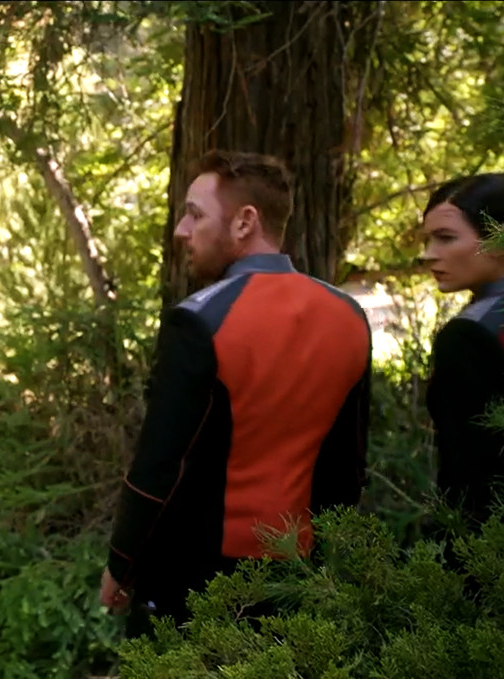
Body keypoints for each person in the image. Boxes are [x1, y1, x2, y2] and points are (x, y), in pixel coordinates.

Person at [100, 150, 371, 639]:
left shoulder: (199, 319)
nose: (181, 230)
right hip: (296, 576)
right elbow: (345, 469)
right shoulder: (349, 316)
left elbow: (160, 466)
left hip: (193, 580)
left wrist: (121, 562)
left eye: (195, 214)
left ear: (246, 221)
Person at [422, 173, 504, 527]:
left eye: (446, 238)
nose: (428, 254)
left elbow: (469, 476)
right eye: (428, 239)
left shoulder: (468, 335)